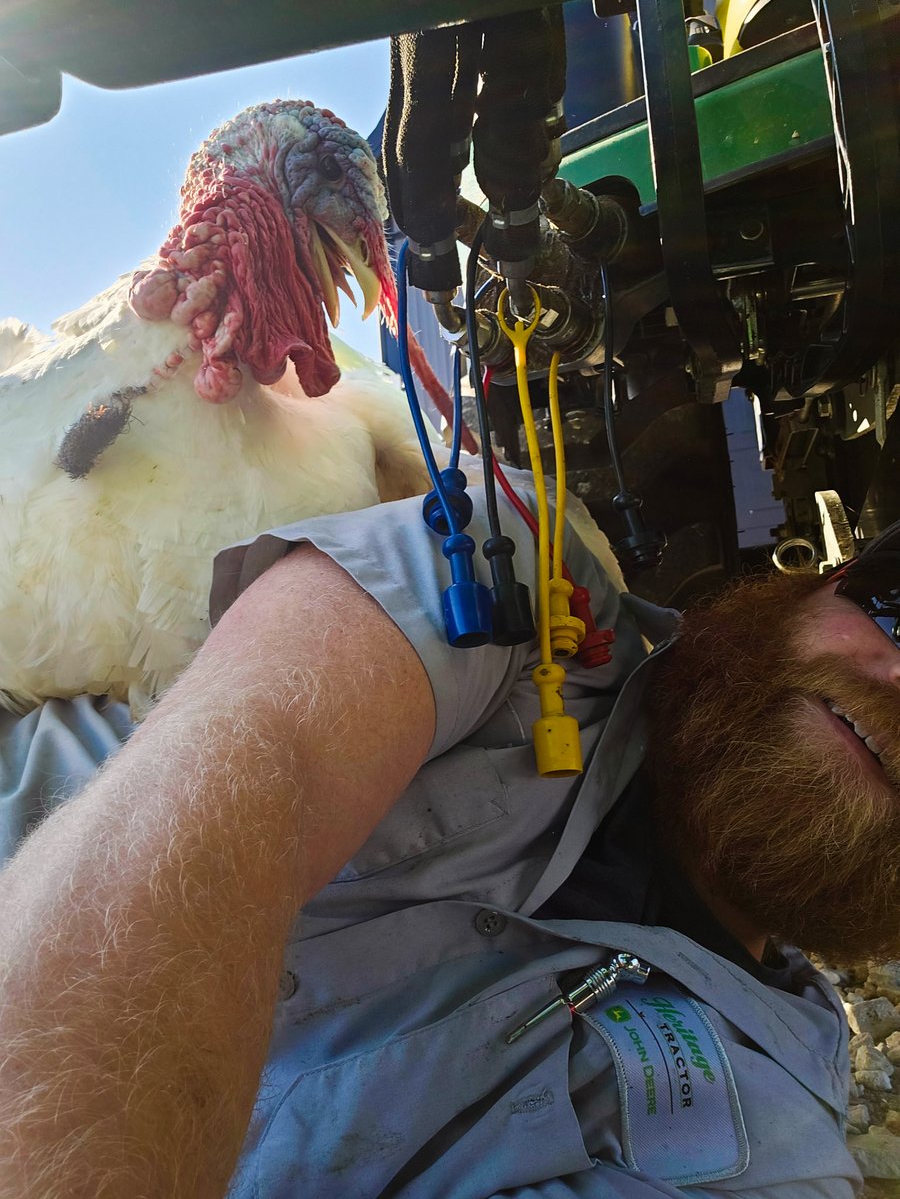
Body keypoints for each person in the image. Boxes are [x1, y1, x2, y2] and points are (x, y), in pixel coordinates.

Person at [0, 481, 897, 1199]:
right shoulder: (524, 580)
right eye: (895, 606)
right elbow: (248, 760)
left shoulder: (773, 1157)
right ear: (824, 576)